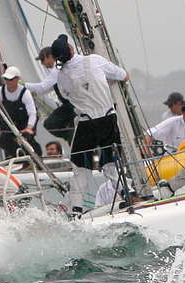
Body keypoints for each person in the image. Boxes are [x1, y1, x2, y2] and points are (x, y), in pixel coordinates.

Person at [49, 34, 129, 215]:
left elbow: (67, 97)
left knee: (81, 169)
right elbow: (124, 76)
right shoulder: (95, 60)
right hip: (108, 119)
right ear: (70, 48)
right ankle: (127, 194)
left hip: (87, 125)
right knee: (110, 162)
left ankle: (76, 210)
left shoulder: (61, 78)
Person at [0, 66, 43, 160]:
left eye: (11, 79)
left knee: (26, 138)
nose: (8, 81)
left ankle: (37, 158)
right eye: (6, 79)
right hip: (13, 121)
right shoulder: (0, 91)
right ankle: (22, 158)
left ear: (17, 79)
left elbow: (32, 113)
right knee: (3, 140)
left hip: (26, 120)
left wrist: (29, 127)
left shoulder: (25, 93)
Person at [24, 46, 75, 142]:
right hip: (68, 106)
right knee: (50, 124)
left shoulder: (57, 69)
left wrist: (22, 84)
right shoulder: (57, 70)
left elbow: (42, 87)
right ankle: (70, 137)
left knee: (66, 128)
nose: (42, 63)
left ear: (50, 57)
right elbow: (44, 90)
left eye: (42, 59)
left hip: (74, 105)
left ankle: (73, 138)